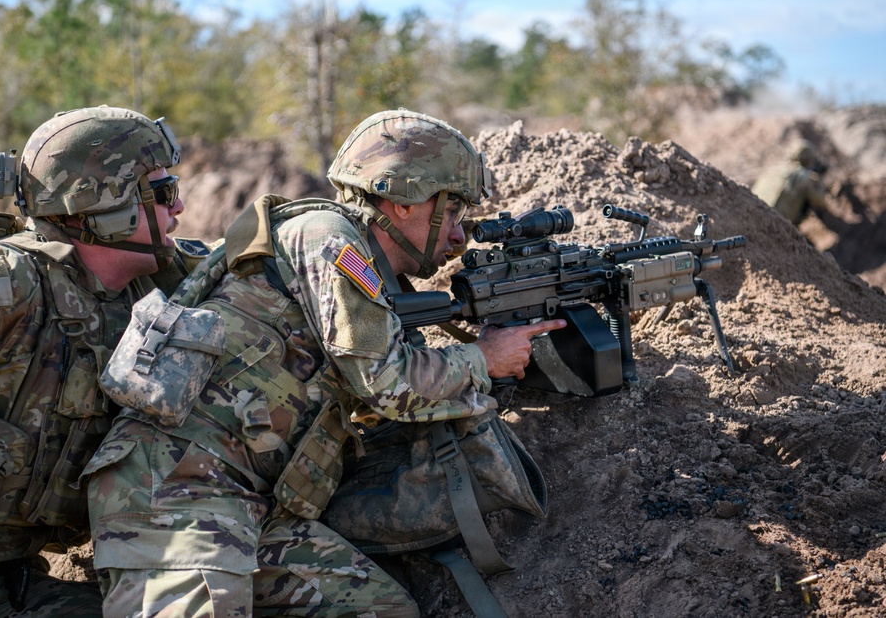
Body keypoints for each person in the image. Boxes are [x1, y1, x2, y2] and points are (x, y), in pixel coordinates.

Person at [84, 108, 564, 617]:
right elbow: (385, 382)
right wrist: (483, 358)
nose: (458, 235)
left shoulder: (357, 259)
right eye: (451, 212)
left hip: (251, 499)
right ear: (403, 202)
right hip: (175, 490)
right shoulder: (329, 240)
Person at [0, 105, 210, 616]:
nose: (181, 207)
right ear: (104, 206)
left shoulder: (156, 283)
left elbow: (261, 258)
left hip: (10, 580)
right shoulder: (0, 286)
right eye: (164, 192)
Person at [751, 140, 830, 226]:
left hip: (753, 211)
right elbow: (819, 201)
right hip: (774, 223)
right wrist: (819, 184)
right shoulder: (805, 176)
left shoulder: (774, 168)